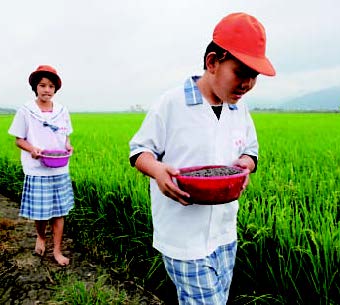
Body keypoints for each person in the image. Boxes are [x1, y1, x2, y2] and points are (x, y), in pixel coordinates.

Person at [128, 12, 275, 304]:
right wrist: (157, 171)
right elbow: (139, 152)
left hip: (224, 231)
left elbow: (251, 152)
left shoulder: (239, 110)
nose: (247, 84)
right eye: (241, 72)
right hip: (183, 235)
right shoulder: (172, 103)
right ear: (212, 62)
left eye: (254, 76)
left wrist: (246, 165)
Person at [8, 65, 74, 266]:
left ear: (55, 90)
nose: (47, 89)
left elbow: (66, 136)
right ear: (35, 88)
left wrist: (69, 146)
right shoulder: (26, 111)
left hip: (60, 167)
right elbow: (19, 139)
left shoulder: (62, 111)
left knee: (59, 211)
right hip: (37, 169)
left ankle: (57, 250)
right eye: (42, 85)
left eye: (51, 86)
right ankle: (40, 236)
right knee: (41, 211)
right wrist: (32, 149)